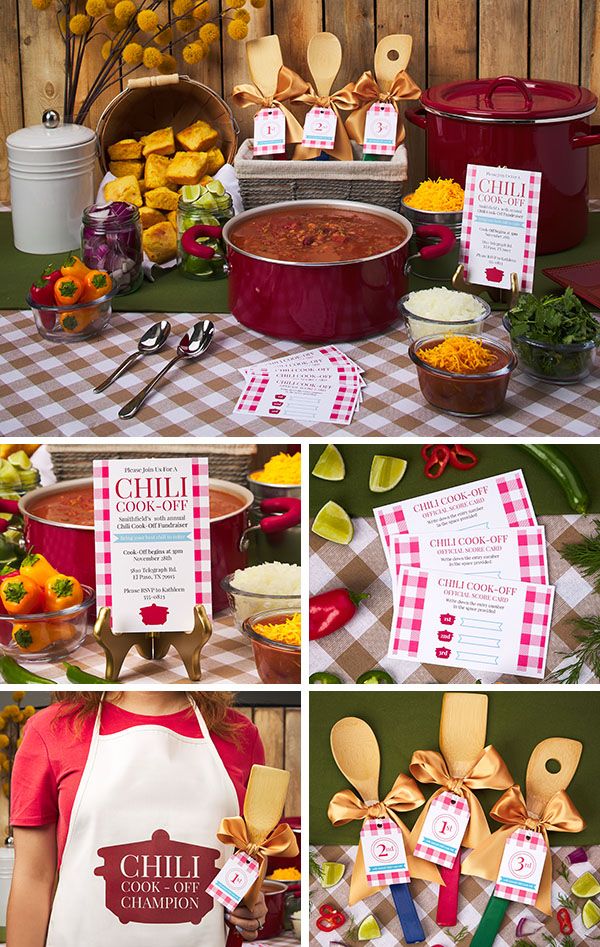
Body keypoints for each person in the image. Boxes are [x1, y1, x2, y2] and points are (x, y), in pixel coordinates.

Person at [7, 691, 268, 946]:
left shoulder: (240, 734)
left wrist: (249, 905)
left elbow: (248, 854)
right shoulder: (50, 730)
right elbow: (34, 877)